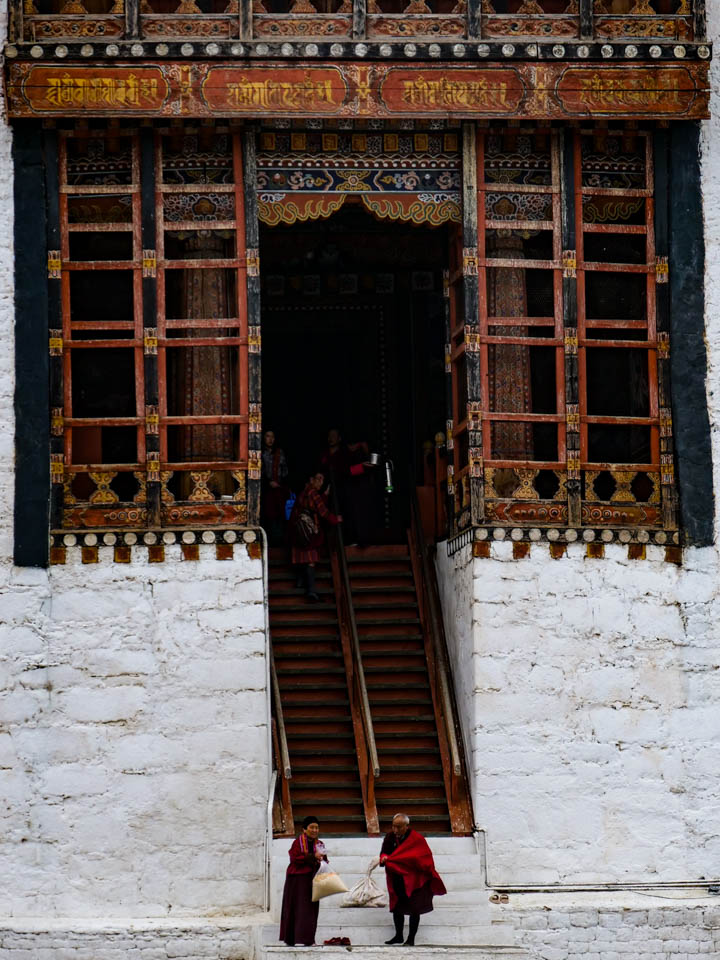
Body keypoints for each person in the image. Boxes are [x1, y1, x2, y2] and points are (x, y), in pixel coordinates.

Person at [379, 812, 446, 946]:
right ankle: (398, 936)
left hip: (415, 880)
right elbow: (384, 853)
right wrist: (384, 858)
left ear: (407, 826)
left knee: (415, 908)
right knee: (397, 906)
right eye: (393, 826)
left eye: (399, 827)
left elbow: (424, 858)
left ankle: (411, 939)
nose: (395, 830)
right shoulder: (390, 837)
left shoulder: (417, 839)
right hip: (397, 877)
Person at [319, 427, 376, 546]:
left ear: (339, 438)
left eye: (334, 435)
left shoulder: (344, 454)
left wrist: (361, 466)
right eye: (330, 436)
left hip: (342, 491)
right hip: (325, 490)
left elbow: (348, 471)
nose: (331, 438)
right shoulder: (323, 455)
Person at [290, 471, 341, 602]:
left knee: (303, 558)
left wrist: (324, 495)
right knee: (310, 561)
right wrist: (336, 519)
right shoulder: (313, 493)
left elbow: (311, 507)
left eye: (322, 480)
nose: (320, 482)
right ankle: (311, 591)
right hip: (310, 532)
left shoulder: (303, 493)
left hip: (299, 531)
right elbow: (323, 512)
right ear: (311, 479)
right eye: (318, 479)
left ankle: (300, 581)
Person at [279, 814, 327, 947]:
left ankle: (309, 940)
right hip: (297, 880)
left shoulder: (320, 844)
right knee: (295, 908)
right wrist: (313, 856)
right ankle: (292, 939)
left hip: (313, 881)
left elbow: (325, 859)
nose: (315, 830)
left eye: (317, 827)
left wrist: (323, 861)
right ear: (304, 830)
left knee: (311, 911)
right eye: (311, 827)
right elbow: (295, 859)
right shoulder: (297, 842)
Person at [260, 429, 290, 547]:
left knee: (280, 515)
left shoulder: (279, 452)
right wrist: (268, 482)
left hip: (279, 489)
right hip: (266, 489)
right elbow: (259, 472)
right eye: (268, 436)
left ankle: (280, 541)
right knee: (268, 515)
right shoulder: (260, 453)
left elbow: (285, 471)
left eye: (272, 437)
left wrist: (281, 484)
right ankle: (270, 542)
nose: (270, 439)